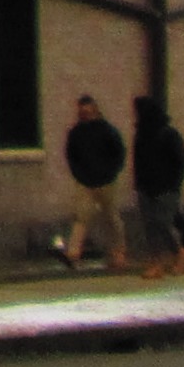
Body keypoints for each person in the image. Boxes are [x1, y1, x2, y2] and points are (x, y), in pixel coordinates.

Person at [58, 92, 127, 269]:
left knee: (110, 216)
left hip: (106, 181)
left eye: (87, 111)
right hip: (85, 181)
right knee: (81, 217)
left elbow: (119, 153)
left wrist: (111, 172)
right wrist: (78, 174)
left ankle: (118, 252)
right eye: (82, 112)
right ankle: (73, 253)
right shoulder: (76, 133)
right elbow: (71, 155)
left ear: (95, 110)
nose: (85, 115)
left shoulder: (107, 130)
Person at [128, 94, 184, 277]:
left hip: (166, 188)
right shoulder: (140, 135)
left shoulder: (168, 134)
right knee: (150, 227)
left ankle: (179, 254)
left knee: (163, 224)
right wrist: (138, 183)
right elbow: (138, 161)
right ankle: (156, 263)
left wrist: (174, 183)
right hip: (146, 187)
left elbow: (181, 160)